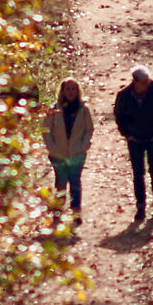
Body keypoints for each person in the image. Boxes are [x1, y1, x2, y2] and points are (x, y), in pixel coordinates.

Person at [113, 65, 153, 223]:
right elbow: (119, 116)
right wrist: (127, 134)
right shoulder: (124, 96)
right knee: (138, 173)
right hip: (135, 140)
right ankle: (140, 205)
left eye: (147, 81)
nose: (146, 84)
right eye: (143, 82)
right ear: (135, 82)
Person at [43, 78, 93, 223]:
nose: (71, 92)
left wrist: (83, 145)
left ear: (78, 91)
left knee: (75, 183)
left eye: (73, 89)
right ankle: (57, 212)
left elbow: (89, 129)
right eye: (68, 89)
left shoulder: (83, 110)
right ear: (63, 91)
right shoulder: (54, 109)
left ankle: (76, 213)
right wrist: (51, 147)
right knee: (60, 183)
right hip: (58, 154)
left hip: (77, 153)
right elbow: (45, 130)